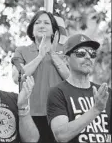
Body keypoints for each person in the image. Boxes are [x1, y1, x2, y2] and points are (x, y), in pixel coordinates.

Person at [11, 10, 70, 142]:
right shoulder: (21, 51)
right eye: (37, 23)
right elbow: (18, 77)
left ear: (54, 31)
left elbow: (70, 78)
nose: (41, 25)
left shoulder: (63, 54)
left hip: (59, 115)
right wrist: (40, 56)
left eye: (46, 23)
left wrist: (52, 54)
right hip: (30, 115)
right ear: (32, 31)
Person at [47, 34, 111, 143]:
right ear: (66, 60)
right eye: (81, 52)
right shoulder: (58, 92)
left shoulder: (105, 93)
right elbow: (61, 135)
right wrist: (96, 110)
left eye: (92, 53)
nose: (88, 57)